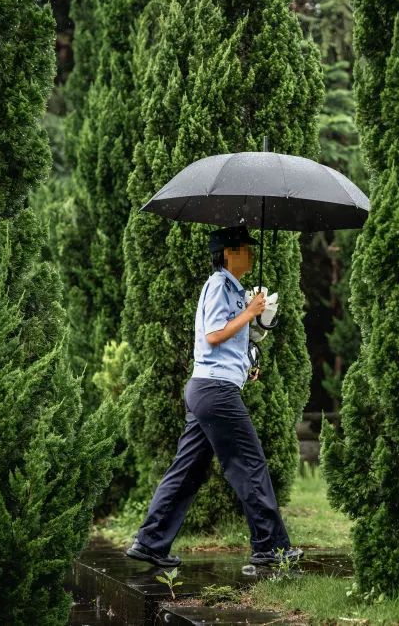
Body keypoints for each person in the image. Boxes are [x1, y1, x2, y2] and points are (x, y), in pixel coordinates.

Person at [125, 225, 303, 568]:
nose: (251, 253)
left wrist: (246, 361)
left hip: (211, 388)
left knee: (188, 470)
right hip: (215, 392)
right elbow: (213, 335)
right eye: (244, 248)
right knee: (250, 465)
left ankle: (150, 542)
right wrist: (250, 313)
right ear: (227, 253)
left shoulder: (233, 290)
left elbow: (229, 341)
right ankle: (270, 547)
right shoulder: (219, 285)